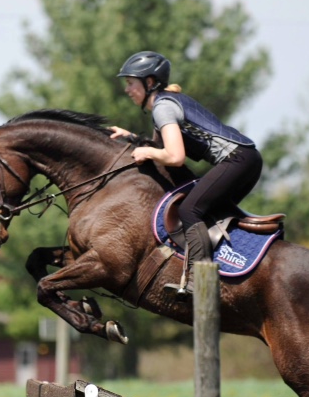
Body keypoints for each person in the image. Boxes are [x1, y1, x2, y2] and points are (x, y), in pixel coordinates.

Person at [111, 51, 263, 298]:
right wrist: (132, 138)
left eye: (130, 83)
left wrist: (147, 150)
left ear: (149, 83)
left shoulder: (163, 107)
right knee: (204, 211)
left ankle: (201, 283)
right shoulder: (166, 103)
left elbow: (174, 157)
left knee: (189, 209)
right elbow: (159, 148)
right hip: (247, 159)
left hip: (239, 160)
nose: (127, 89)